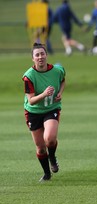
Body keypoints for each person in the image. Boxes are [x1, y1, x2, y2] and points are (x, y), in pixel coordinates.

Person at [23, 43, 66, 182]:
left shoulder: (57, 70)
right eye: (37, 55)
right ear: (33, 59)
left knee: (50, 138)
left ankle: (52, 157)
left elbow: (63, 80)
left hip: (51, 108)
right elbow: (31, 101)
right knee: (41, 148)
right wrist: (44, 94)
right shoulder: (28, 76)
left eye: (42, 54)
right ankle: (47, 174)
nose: (40, 57)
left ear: (46, 55)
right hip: (33, 112)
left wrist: (60, 92)